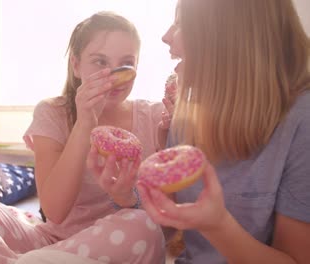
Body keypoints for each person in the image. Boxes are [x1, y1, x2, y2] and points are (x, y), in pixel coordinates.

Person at [0, 11, 166, 264]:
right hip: (47, 241)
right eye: (100, 62)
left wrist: (128, 199)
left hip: (112, 245)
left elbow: (169, 220)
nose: (113, 75)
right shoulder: (52, 113)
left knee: (143, 226)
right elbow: (55, 212)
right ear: (76, 65)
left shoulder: (156, 117)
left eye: (126, 63)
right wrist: (85, 123)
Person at [91, 0, 310, 263]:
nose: (165, 36)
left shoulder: (301, 123)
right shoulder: (186, 117)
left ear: (230, 37)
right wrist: (126, 197)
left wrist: (218, 225)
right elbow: (168, 223)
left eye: (181, 22)